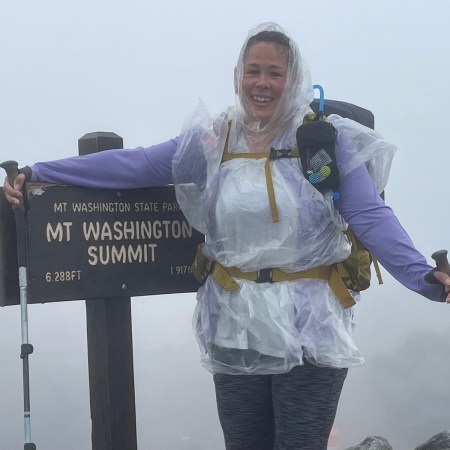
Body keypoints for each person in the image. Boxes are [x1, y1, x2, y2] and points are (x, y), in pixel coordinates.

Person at [3, 22, 450, 450]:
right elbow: (135, 165)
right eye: (253, 71)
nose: (262, 83)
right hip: (236, 323)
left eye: (275, 73)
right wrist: (39, 173)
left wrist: (425, 278)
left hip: (311, 326)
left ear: (294, 80)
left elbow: (371, 216)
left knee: (299, 444)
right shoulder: (214, 140)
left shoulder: (322, 141)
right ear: (237, 76)